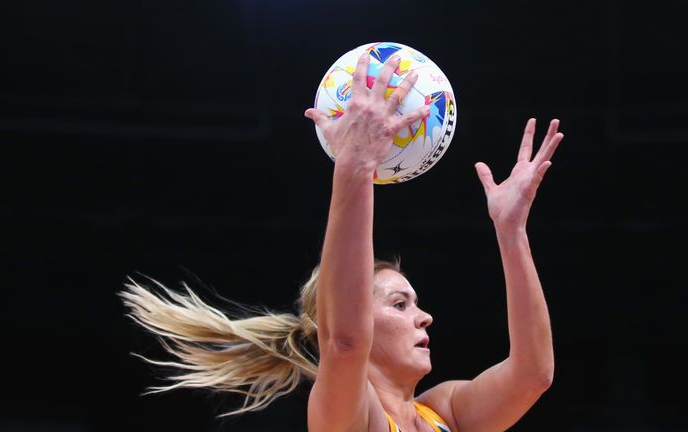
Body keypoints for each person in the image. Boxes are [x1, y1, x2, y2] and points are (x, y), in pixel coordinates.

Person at [121, 52, 562, 431]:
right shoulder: (349, 416)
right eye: (399, 304)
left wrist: (512, 233)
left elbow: (534, 375)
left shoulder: (444, 412)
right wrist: (356, 165)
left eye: (412, 304)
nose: (425, 317)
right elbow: (345, 341)